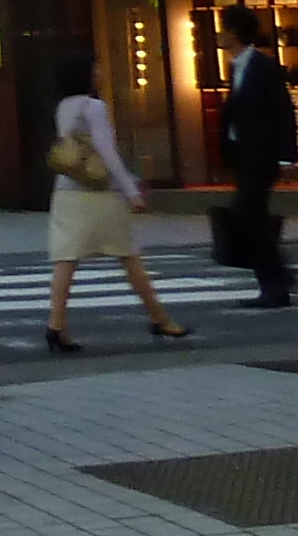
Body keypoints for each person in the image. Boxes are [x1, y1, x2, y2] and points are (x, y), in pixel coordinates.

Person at [40, 50, 190, 351]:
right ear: (86, 73)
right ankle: (159, 318)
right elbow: (107, 153)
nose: (100, 72)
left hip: (67, 193)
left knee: (66, 259)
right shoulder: (94, 107)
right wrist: (131, 190)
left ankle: (56, 324)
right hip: (99, 192)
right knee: (129, 254)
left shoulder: (63, 107)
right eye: (95, 67)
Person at [217, 5, 298, 307]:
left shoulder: (263, 67)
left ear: (235, 32)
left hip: (261, 156)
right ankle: (277, 282)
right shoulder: (236, 67)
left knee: (246, 215)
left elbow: (282, 110)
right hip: (243, 155)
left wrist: (287, 155)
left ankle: (276, 279)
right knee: (255, 219)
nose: (219, 33)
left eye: (223, 27)